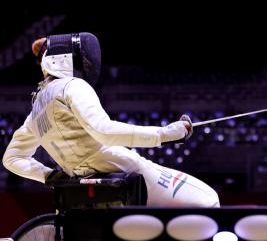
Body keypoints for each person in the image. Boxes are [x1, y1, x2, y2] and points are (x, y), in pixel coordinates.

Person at [2, 33, 220, 207]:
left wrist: (51, 176)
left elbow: (11, 158)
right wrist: (166, 134)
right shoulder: (71, 86)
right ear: (64, 58)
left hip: (85, 185)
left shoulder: (37, 107)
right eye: (82, 58)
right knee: (208, 201)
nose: (87, 63)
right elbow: (103, 131)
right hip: (121, 168)